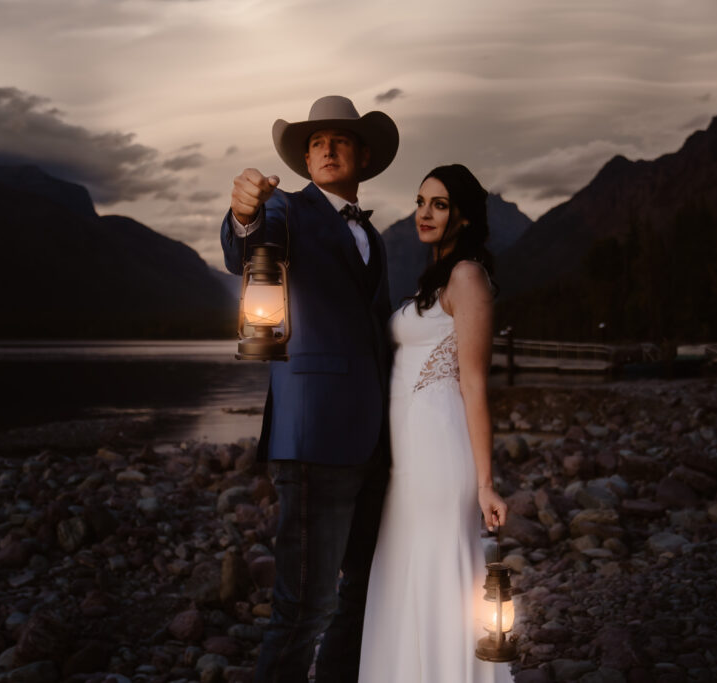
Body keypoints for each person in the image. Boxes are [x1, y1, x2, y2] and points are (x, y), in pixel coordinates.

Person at [220, 95, 398, 683]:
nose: (325, 147)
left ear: (363, 156)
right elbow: (245, 246)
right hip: (314, 435)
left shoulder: (376, 236)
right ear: (303, 157)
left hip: (376, 444)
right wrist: (244, 211)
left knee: (363, 596)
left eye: (339, 139)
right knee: (303, 610)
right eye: (316, 141)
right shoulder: (285, 213)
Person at [358, 164, 514, 683]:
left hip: (440, 455)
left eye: (440, 204)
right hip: (407, 462)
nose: (424, 212)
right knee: (402, 575)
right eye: (421, 201)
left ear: (463, 217)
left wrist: (486, 483)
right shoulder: (436, 279)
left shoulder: (467, 277)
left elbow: (474, 384)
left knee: (435, 575)